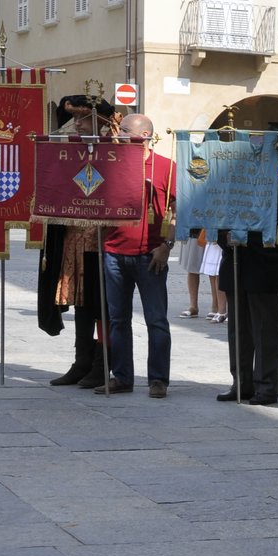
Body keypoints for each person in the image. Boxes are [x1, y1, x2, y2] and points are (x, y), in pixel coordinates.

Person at [99, 114, 177, 398]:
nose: (118, 137)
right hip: (114, 253)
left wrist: (167, 245)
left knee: (156, 320)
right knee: (118, 320)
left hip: (150, 255)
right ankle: (122, 376)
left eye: (125, 132)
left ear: (145, 135)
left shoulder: (166, 168)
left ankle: (158, 379)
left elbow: (178, 211)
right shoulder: (111, 164)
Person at [39, 96, 114, 388]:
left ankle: (102, 363)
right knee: (81, 303)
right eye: (77, 119)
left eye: (83, 119)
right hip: (72, 235)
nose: (77, 125)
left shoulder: (114, 150)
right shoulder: (69, 149)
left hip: (102, 239)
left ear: (100, 121)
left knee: (101, 305)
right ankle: (81, 362)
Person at [216, 172, 278, 406]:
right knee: (238, 330)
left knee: (266, 330)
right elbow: (216, 219)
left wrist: (250, 238)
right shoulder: (227, 183)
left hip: (265, 265)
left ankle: (267, 386)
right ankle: (242, 382)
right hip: (235, 263)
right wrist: (225, 238)